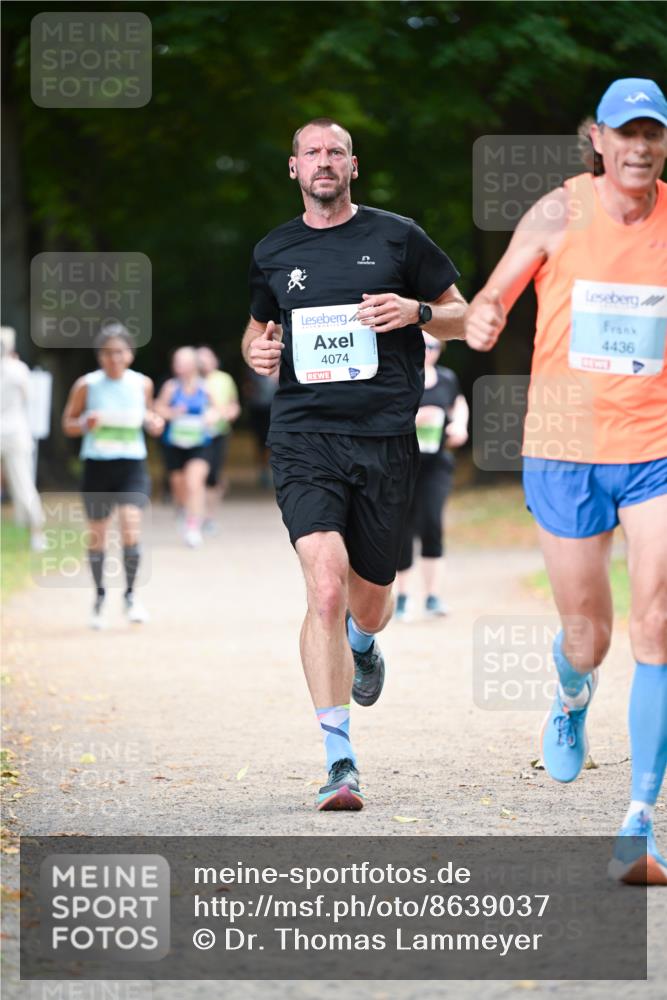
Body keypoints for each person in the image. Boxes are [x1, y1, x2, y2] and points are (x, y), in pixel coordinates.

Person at [465, 79, 667, 884]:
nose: (640, 147)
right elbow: (496, 292)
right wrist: (482, 312)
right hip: (564, 446)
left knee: (657, 624)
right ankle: (570, 694)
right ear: (597, 139)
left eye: (652, 133)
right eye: (626, 133)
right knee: (589, 636)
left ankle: (639, 824)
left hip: (654, 442)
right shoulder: (557, 212)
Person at [242, 117, 466, 810]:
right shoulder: (274, 250)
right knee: (325, 588)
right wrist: (256, 351)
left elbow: (467, 314)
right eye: (311, 152)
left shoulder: (398, 236)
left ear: (352, 165)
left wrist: (416, 311)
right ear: (293, 168)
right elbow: (256, 328)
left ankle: (363, 645)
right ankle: (339, 758)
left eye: (335, 152)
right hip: (304, 435)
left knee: (369, 602)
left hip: (384, 439)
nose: (323, 162)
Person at [62, 323, 164, 628]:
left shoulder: (142, 383)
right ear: (99, 357)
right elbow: (68, 422)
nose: (114, 359)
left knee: (131, 527)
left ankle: (131, 596)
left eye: (119, 352)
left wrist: (154, 423)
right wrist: (83, 425)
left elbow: (150, 415)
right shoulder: (87, 385)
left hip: (132, 464)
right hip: (97, 465)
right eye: (107, 353)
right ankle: (99, 597)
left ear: (130, 354)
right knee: (98, 535)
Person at [395, 333, 469, 621]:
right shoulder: (401, 378)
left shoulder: (447, 378)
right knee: (402, 529)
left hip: (436, 464)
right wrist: (416, 420)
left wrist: (460, 426)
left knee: (432, 523)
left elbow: (459, 403)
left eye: (433, 346)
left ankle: (433, 596)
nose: (427, 350)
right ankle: (402, 596)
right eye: (422, 344)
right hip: (403, 465)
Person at [155, 346, 218, 548]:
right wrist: (172, 412)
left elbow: (219, 409)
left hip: (200, 443)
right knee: (179, 485)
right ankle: (183, 509)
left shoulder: (205, 387)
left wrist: (212, 416)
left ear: (193, 365)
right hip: (175, 443)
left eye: (182, 362)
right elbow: (158, 408)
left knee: (195, 482)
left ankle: (193, 527)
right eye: (176, 362)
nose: (178, 366)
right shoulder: (171, 387)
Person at [0, 326, 46, 551]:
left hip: (14, 431)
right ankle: (36, 533)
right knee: (24, 484)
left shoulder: (16, 369)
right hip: (16, 430)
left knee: (23, 485)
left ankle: (34, 531)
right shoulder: (18, 369)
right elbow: (31, 398)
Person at [196, 346, 240, 530]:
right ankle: (193, 514)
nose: (204, 363)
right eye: (200, 359)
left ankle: (209, 516)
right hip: (195, 435)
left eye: (207, 358)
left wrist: (227, 415)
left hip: (219, 432)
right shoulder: (190, 380)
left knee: (213, 475)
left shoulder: (224, 379)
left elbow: (234, 405)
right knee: (196, 475)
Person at [244, 369, 279, 489]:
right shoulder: (254, 371)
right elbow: (248, 388)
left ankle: (271, 470)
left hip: (274, 409)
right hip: (258, 409)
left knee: (273, 441)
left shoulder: (282, 368)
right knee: (261, 442)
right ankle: (263, 470)